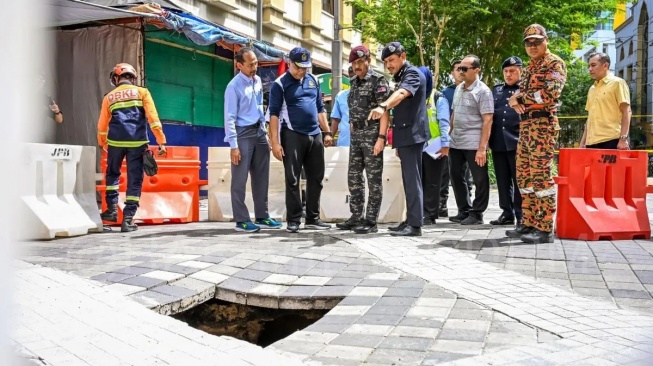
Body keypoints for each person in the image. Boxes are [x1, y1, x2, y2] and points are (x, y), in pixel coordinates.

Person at [507, 24, 567, 244]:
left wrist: (519, 99)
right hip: (526, 126)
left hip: (543, 125)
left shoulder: (554, 63)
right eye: (528, 43)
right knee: (525, 177)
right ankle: (529, 222)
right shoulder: (531, 66)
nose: (532, 46)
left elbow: (550, 93)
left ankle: (544, 228)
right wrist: (516, 99)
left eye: (536, 41)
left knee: (541, 177)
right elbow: (525, 93)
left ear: (546, 40)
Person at [268, 47, 333, 233]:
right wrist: (275, 143)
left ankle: (312, 217)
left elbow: (320, 108)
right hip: (292, 135)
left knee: (316, 178)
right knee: (293, 179)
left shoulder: (313, 81)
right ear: (289, 63)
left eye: (305, 67)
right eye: (298, 67)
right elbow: (273, 115)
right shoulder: (280, 84)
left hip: (315, 135)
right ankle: (294, 219)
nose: (301, 71)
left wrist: (327, 132)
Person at [98, 63, 167, 232]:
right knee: (134, 179)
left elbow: (102, 124)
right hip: (137, 142)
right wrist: (161, 140)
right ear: (133, 78)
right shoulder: (142, 92)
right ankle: (127, 220)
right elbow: (153, 117)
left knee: (113, 174)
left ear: (116, 78)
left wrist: (102, 143)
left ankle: (112, 210)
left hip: (115, 142)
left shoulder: (109, 97)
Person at [369, 42, 429, 236]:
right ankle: (411, 219)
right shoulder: (402, 75)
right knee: (408, 179)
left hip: (412, 135)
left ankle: (415, 225)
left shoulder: (412, 74)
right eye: (386, 62)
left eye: (392, 60)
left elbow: (403, 93)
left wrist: (383, 106)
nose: (389, 65)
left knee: (413, 181)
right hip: (406, 135)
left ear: (403, 56)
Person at [224, 47, 282, 233]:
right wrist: (234, 146)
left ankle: (262, 215)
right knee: (239, 180)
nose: (254, 67)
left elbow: (259, 107)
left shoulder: (257, 80)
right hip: (242, 135)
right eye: (250, 65)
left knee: (262, 176)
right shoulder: (233, 87)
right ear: (239, 65)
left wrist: (264, 131)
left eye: (256, 63)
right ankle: (241, 220)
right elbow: (229, 117)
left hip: (259, 132)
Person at [335, 45, 390, 234]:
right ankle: (356, 216)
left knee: (374, 180)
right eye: (354, 63)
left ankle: (370, 220)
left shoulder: (378, 80)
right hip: (356, 136)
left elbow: (384, 111)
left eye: (360, 62)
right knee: (354, 178)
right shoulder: (354, 82)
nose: (357, 66)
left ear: (368, 60)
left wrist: (381, 138)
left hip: (373, 134)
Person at [448, 55, 493, 225]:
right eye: (460, 68)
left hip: (474, 143)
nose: (461, 72)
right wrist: (449, 135)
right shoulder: (459, 89)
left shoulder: (483, 91)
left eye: (465, 69)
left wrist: (482, 148)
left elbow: (488, 119)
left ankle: (477, 213)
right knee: (456, 176)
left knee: (480, 178)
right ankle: (464, 210)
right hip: (456, 141)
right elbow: (454, 113)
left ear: (476, 70)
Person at [489, 56, 523, 227]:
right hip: (499, 141)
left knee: (518, 180)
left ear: (520, 72)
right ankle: (507, 213)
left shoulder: (525, 89)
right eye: (506, 71)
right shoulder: (497, 90)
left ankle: (521, 214)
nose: (508, 75)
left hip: (517, 141)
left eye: (512, 71)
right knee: (502, 180)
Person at [419, 66, 450, 225]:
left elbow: (444, 123)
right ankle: (420, 212)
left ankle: (430, 215)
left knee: (433, 181)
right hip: (418, 145)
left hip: (435, 145)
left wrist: (445, 144)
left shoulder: (438, 97)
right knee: (420, 180)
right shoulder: (415, 96)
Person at [440, 60, 472, 217]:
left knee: (467, 175)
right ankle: (442, 205)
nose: (461, 71)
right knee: (447, 173)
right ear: (452, 72)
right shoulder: (447, 92)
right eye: (457, 69)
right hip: (451, 138)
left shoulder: (475, 89)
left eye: (463, 69)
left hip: (469, 139)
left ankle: (468, 207)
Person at [580, 52, 631, 150]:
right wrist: (583, 143)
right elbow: (590, 117)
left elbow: (626, 111)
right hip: (591, 142)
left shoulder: (618, 83)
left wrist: (623, 139)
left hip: (611, 140)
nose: (590, 69)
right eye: (589, 66)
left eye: (593, 65)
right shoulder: (592, 89)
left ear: (605, 65)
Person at [330, 66, 354, 147]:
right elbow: (336, 119)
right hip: (344, 143)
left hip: (365, 143)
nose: (353, 79)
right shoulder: (341, 96)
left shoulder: (370, 94)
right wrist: (330, 137)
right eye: (350, 76)